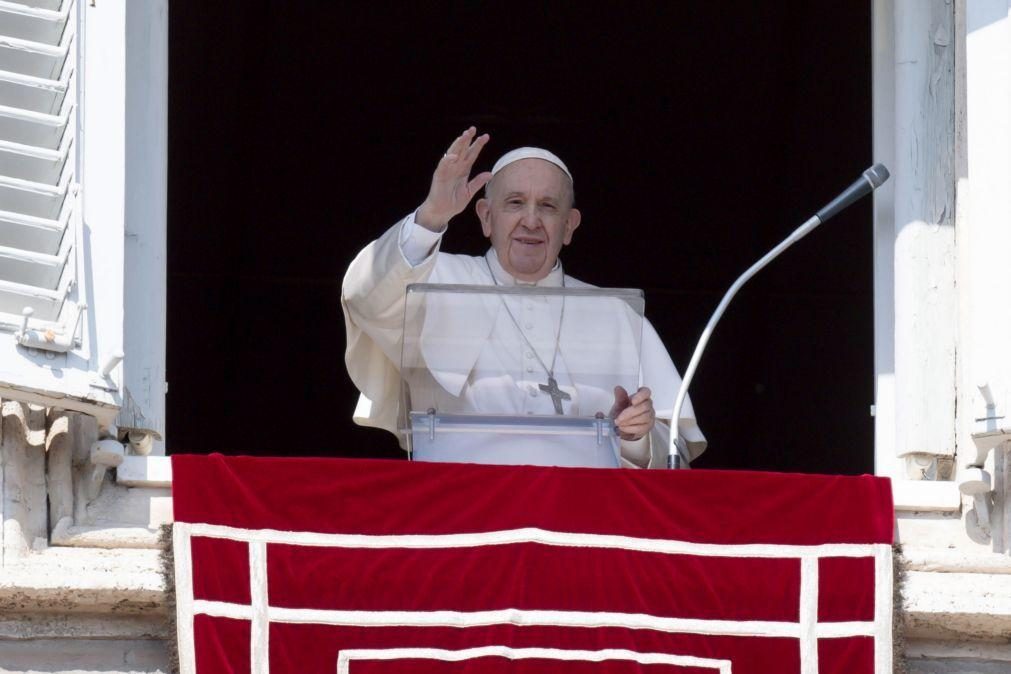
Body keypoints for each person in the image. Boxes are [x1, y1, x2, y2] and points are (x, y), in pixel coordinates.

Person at [342, 128, 705, 468]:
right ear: (485, 217)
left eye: (547, 206)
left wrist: (636, 437)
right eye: (515, 203)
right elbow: (364, 297)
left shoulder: (616, 315)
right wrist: (431, 217)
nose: (531, 220)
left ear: (569, 226)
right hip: (459, 505)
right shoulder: (432, 278)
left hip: (579, 514)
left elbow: (675, 453)